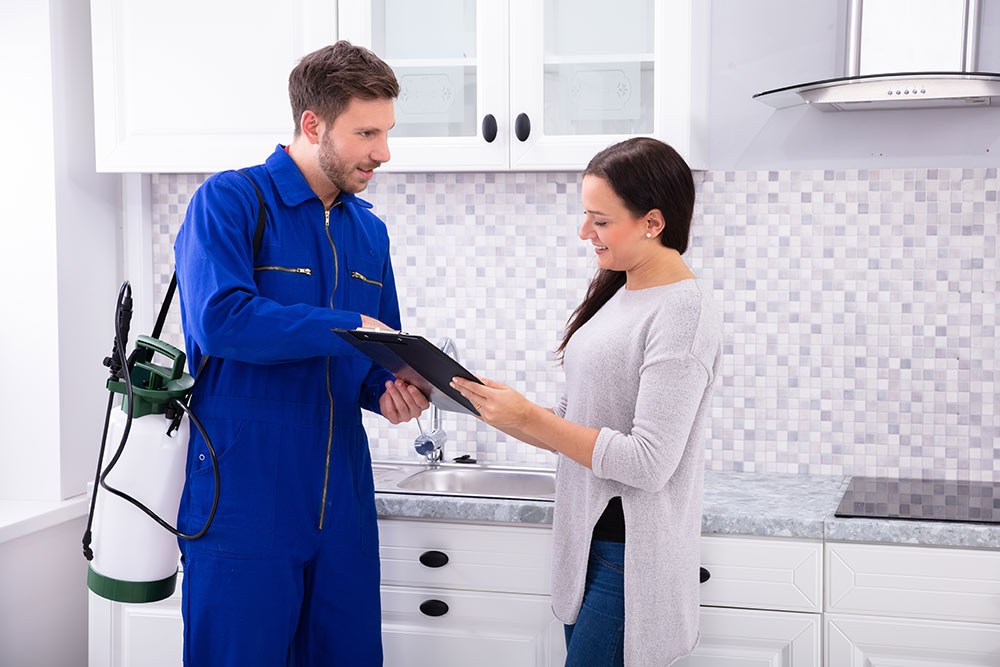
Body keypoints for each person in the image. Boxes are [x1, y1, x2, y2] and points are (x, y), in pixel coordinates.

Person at [172, 41, 428, 666]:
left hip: (342, 502)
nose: (383, 153)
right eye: (366, 132)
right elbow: (221, 320)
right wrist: (344, 323)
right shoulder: (232, 201)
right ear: (313, 125)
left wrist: (389, 391)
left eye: (387, 132)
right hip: (243, 500)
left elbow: (374, 352)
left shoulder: (369, 230)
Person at [451, 137, 722, 667]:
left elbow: (648, 463)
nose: (584, 233)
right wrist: (487, 403)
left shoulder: (683, 311)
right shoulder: (622, 292)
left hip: (631, 559)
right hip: (594, 549)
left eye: (599, 220)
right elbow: (573, 426)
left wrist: (530, 417)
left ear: (653, 222)